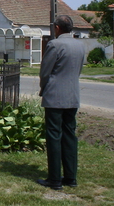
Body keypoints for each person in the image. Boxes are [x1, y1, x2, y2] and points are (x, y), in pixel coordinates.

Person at [37, 15, 85, 190]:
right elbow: (78, 70)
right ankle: (71, 177)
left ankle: (55, 179)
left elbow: (45, 72)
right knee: (70, 136)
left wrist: (43, 88)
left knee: (54, 136)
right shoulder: (80, 45)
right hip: (73, 96)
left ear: (57, 28)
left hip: (55, 97)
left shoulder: (54, 45)